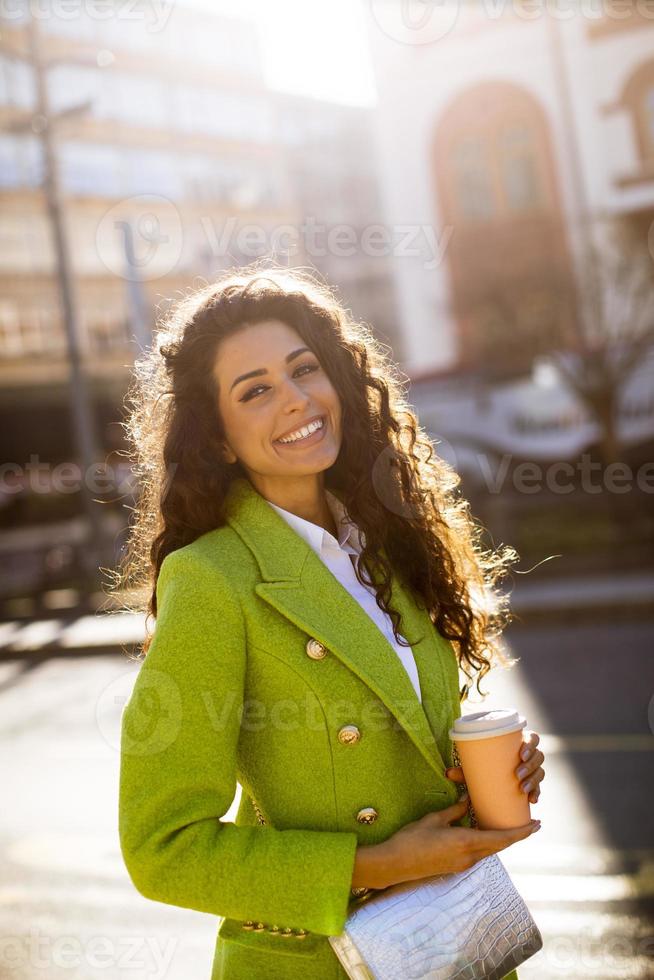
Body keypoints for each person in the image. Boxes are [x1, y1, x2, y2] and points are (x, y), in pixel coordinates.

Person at [115, 265, 546, 980]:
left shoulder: (389, 547)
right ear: (218, 439)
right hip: (320, 961)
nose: (296, 400)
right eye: (255, 391)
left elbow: (402, 752)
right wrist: (373, 864)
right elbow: (161, 846)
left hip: (453, 940)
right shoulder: (211, 579)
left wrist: (484, 777)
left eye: (304, 370)